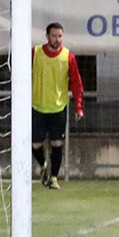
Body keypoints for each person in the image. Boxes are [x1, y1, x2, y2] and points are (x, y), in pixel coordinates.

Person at [30, 22, 84, 189]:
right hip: (37, 105)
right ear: (47, 37)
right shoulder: (35, 53)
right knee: (35, 144)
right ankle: (44, 165)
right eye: (54, 36)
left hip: (58, 107)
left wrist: (79, 106)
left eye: (60, 36)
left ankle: (53, 178)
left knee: (57, 144)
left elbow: (76, 83)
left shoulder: (68, 57)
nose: (57, 39)